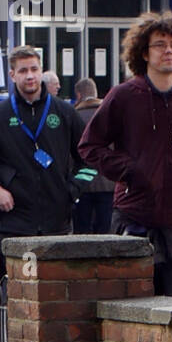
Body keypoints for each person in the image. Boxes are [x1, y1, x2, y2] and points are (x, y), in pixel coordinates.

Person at [79, 12, 172, 298]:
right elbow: (89, 147)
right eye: (160, 44)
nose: (169, 50)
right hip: (135, 219)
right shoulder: (123, 96)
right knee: (133, 306)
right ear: (144, 52)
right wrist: (129, 170)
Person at [0, 45, 94, 249]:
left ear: (41, 71)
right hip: (14, 222)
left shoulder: (64, 112)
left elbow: (90, 158)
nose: (30, 76)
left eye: (34, 69)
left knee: (55, 280)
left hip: (57, 223)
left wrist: (71, 191)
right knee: (21, 279)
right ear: (12, 75)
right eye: (23, 71)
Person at [72, 77, 115, 234]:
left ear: (78, 95)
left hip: (82, 184)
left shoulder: (74, 116)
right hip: (108, 182)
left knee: (81, 233)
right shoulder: (110, 114)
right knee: (104, 231)